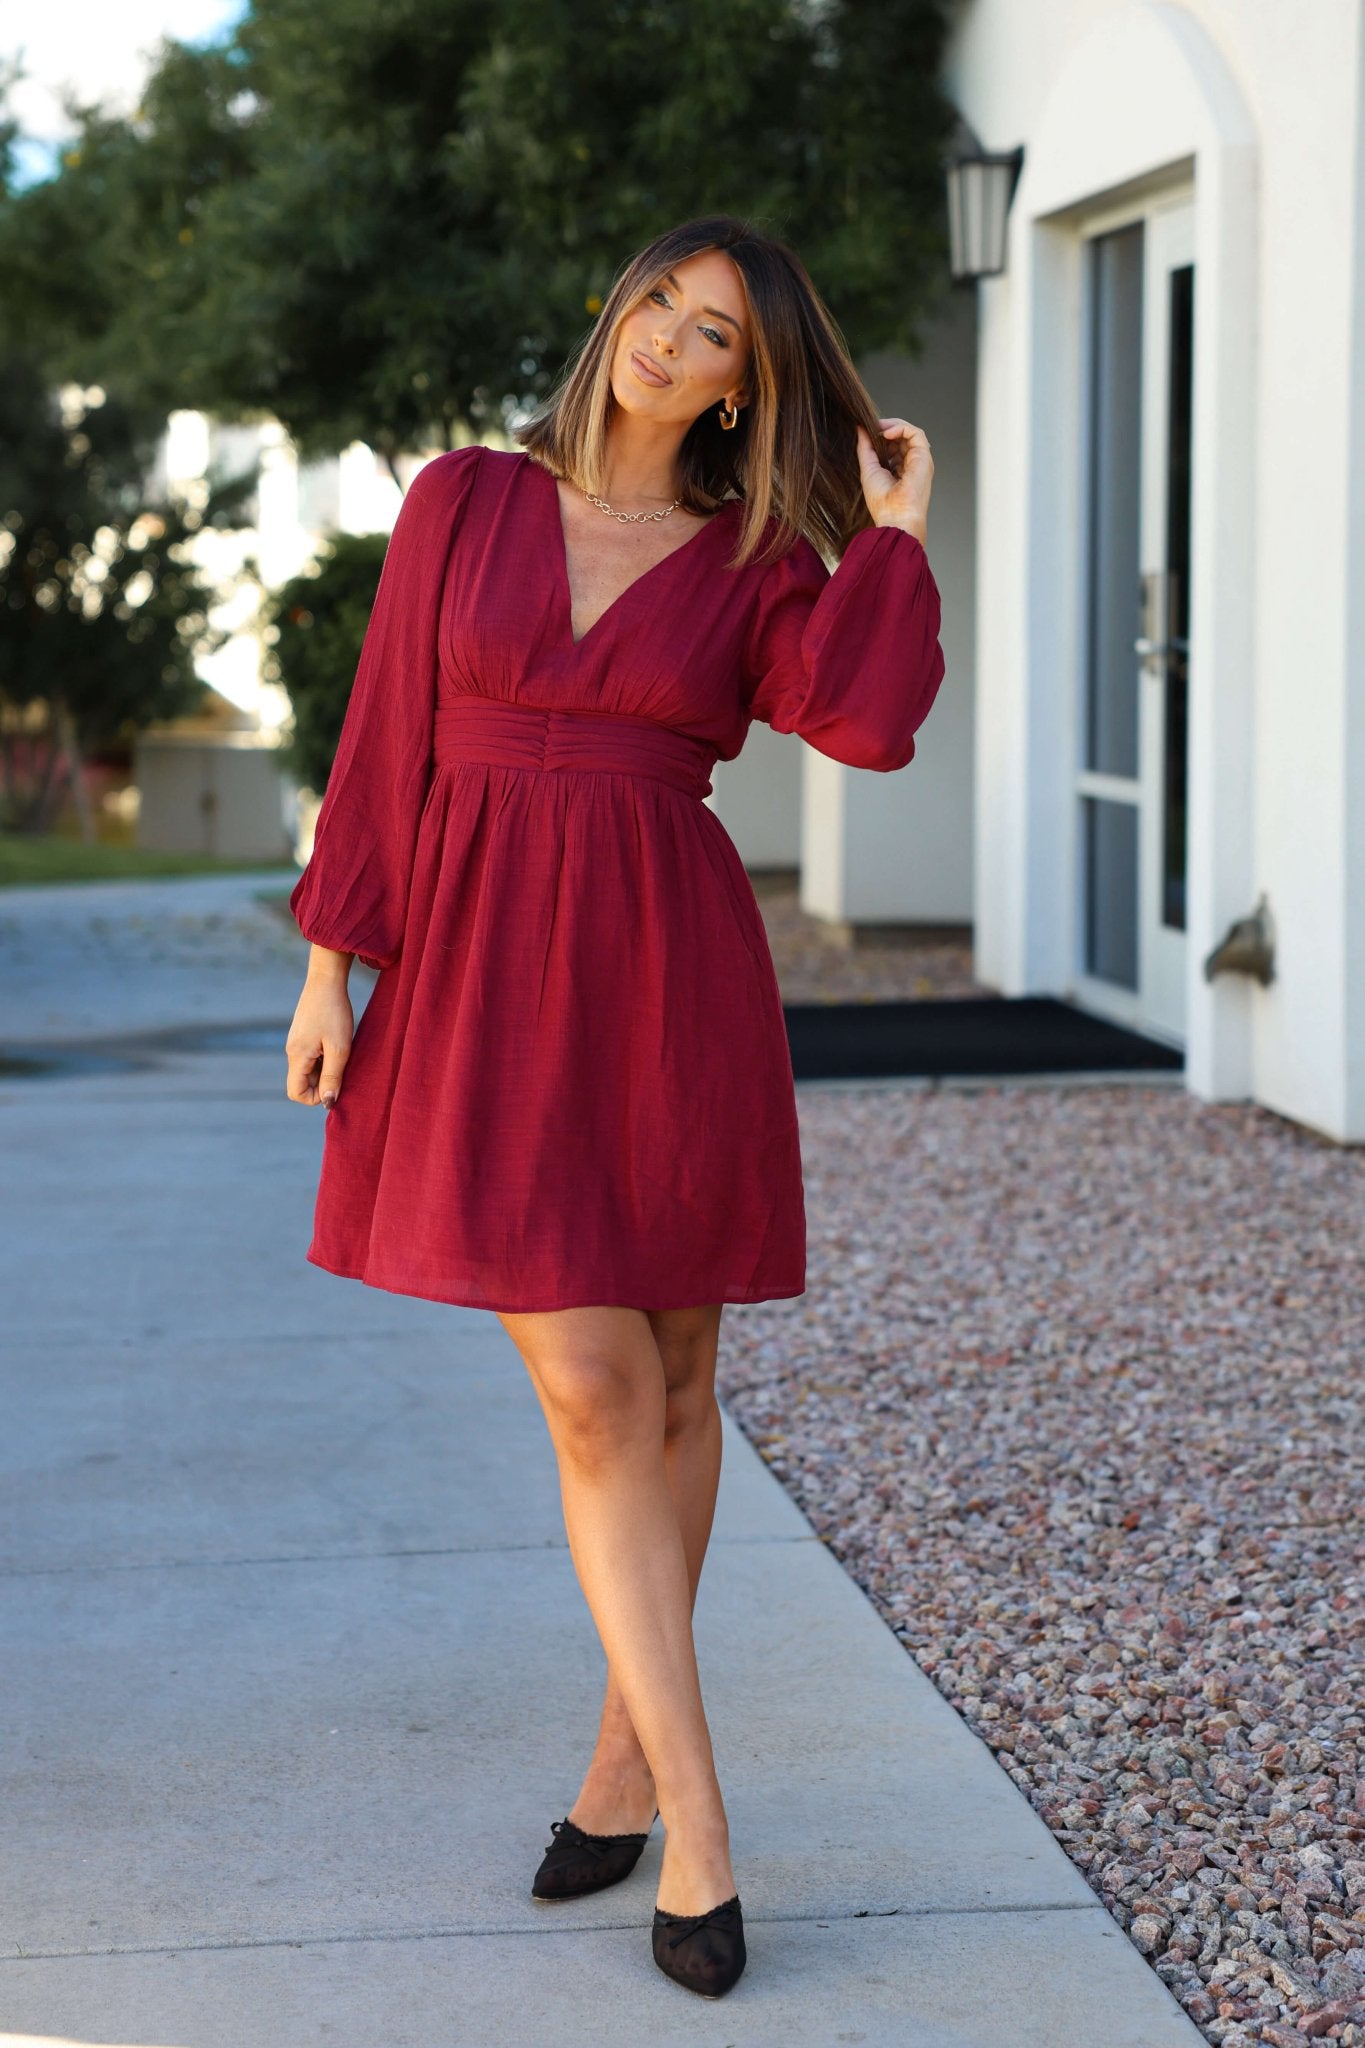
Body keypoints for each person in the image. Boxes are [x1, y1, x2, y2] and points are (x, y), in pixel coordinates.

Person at [284, 212, 944, 1999]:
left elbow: (863, 729)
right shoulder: (464, 503)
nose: (670, 338)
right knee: (593, 1384)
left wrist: (892, 540)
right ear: (615, 312)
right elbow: (383, 737)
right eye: (661, 301)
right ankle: (706, 1836)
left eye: (717, 333)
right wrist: (334, 958)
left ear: (749, 385)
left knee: (676, 1386)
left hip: (666, 975)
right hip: (481, 975)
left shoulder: (757, 558)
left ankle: (615, 1768)